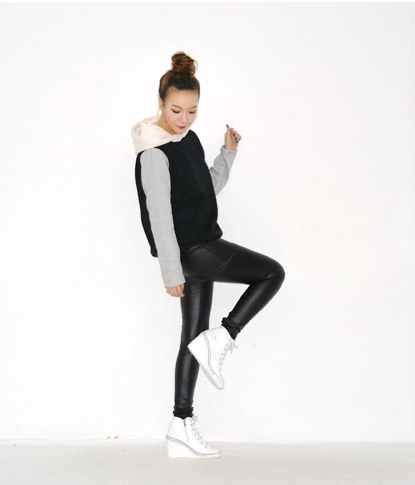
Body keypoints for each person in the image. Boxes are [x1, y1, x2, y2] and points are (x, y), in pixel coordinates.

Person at [131, 51, 285, 459]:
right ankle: (225, 336)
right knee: (272, 273)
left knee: (192, 338)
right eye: (176, 110)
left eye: (192, 111)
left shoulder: (189, 140)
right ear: (160, 103)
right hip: (195, 252)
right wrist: (170, 273)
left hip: (196, 252)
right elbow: (160, 217)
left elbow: (204, 192)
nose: (184, 119)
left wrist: (227, 153)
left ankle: (180, 424)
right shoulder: (154, 153)